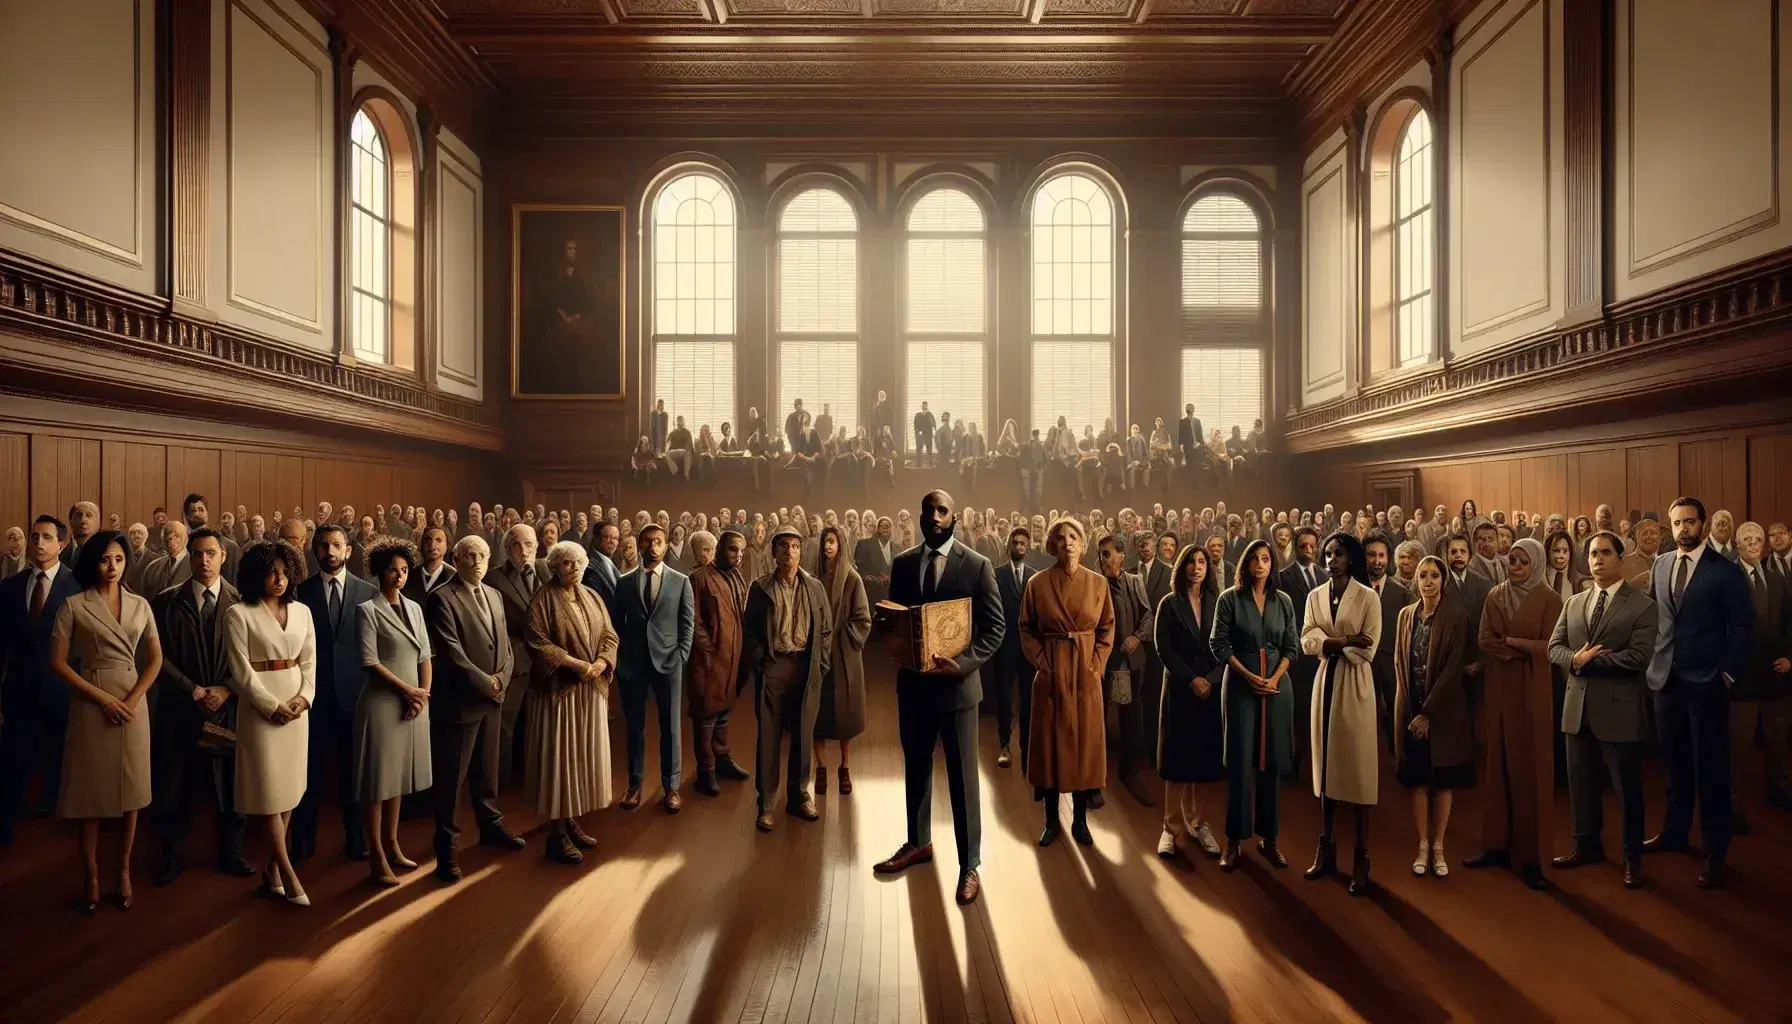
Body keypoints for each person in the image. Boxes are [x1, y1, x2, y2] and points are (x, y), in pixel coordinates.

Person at [873, 490, 1004, 907]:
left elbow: (995, 629)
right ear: (920, 516)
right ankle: (918, 842)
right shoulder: (904, 563)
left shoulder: (978, 565)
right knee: (915, 766)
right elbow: (897, 619)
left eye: (942, 510)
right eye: (928, 510)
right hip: (913, 685)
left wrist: (964, 664)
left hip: (957, 689)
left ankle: (970, 864)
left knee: (963, 779)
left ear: (955, 517)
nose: (934, 516)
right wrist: (887, 627)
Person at [1640, 497, 1755, 889]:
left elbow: (1742, 629)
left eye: (1690, 522)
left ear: (1703, 525)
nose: (1683, 529)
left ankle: (1713, 850)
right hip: (1666, 681)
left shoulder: (1724, 571)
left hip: (1707, 683)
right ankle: (1675, 832)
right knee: (1673, 765)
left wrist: (1725, 676)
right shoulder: (1660, 563)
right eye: (1677, 523)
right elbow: (1654, 617)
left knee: (1711, 771)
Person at [47, 531, 161, 912]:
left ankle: (124, 870)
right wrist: (101, 697)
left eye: (119, 559)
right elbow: (58, 663)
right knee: (89, 795)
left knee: (132, 793)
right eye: (104, 560)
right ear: (92, 562)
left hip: (133, 702)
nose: (112, 567)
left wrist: (132, 698)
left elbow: (156, 659)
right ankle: (91, 873)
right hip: (92, 701)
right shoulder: (73, 605)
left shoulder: (141, 604)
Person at [1547, 531, 1656, 890]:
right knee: (1581, 786)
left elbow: (1639, 658)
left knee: (1627, 790)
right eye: (1592, 553)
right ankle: (1587, 845)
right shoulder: (1575, 602)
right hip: (1577, 710)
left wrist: (1590, 664)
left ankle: (1631, 858)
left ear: (1620, 557)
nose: (1597, 559)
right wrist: (1577, 659)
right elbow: (1554, 648)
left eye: (1606, 553)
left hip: (1620, 712)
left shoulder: (1642, 604)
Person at [148, 527, 255, 886]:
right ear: (188, 557)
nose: (204, 560)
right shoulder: (165, 601)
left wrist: (225, 689)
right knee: (173, 783)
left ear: (224, 556)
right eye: (197, 554)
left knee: (231, 783)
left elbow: (250, 659)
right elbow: (157, 657)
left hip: (227, 707)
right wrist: (191, 689)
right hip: (179, 708)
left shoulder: (241, 603)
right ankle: (171, 856)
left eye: (211, 553)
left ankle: (232, 851)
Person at [424, 535, 525, 884]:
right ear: (456, 558)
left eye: (483, 554)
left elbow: (508, 647)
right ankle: (446, 847)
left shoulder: (495, 595)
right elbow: (451, 654)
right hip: (462, 702)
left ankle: (490, 826)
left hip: (493, 699)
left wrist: (502, 678)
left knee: (487, 769)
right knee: (452, 778)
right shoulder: (441, 598)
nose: (478, 561)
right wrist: (488, 683)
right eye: (470, 555)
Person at [1465, 537, 1562, 890]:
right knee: (1498, 762)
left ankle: (1532, 857)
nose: (1516, 567)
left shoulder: (1551, 599)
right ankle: (1495, 845)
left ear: (1536, 562)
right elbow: (1484, 639)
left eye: (1523, 561)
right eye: (1513, 561)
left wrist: (1515, 644)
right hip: (1500, 685)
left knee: (1530, 767)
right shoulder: (1496, 595)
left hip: (1533, 689)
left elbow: (1551, 646)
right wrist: (1520, 648)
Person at [224, 541, 317, 907]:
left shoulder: (304, 612)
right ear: (254, 575)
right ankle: (288, 873)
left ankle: (273, 871)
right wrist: (271, 705)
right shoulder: (238, 614)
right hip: (261, 710)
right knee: (268, 792)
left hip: (297, 707)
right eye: (270, 572)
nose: (278, 579)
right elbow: (240, 671)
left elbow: (310, 663)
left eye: (283, 571)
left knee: (290, 790)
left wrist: (303, 699)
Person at [1019, 517, 1114, 847]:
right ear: (1051, 545)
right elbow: (1026, 629)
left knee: (1083, 746)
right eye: (1060, 538)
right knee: (1049, 745)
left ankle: (1080, 820)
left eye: (1074, 536)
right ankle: (1050, 820)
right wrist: (1043, 664)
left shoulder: (1098, 584)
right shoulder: (1037, 583)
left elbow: (1106, 629)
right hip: (1052, 669)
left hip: (1085, 671)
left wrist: (1096, 665)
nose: (1068, 542)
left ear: (1082, 543)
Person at [525, 541, 618, 863]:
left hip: (589, 691)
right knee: (560, 762)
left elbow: (609, 634)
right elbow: (537, 643)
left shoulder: (592, 596)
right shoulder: (543, 599)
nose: (574, 567)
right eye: (566, 563)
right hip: (559, 694)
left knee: (579, 759)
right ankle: (557, 834)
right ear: (554, 567)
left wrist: (603, 663)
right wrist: (578, 666)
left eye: (578, 562)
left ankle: (571, 820)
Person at [1300, 532, 1382, 896]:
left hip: (1355, 684)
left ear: (1352, 558)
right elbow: (1306, 640)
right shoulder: (1315, 596)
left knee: (1359, 769)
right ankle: (1326, 848)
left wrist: (1329, 643)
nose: (1332, 559)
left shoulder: (1368, 597)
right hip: (1325, 683)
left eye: (1339, 554)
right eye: (1328, 554)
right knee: (1327, 766)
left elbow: (1370, 650)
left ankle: (1361, 855)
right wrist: (1346, 640)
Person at [1212, 539, 1301, 870]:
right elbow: (1218, 644)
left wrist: (1275, 678)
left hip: (1278, 688)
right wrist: (1250, 677)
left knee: (1272, 763)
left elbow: (1292, 647)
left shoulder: (1285, 601)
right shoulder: (1229, 599)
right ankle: (1233, 840)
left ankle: (1270, 838)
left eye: (1266, 559)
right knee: (1240, 763)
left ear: (1272, 564)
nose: (1261, 564)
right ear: (1246, 564)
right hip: (1240, 686)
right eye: (1255, 559)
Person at [291, 524, 376, 863]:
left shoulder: (368, 592)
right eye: (324, 545)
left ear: (348, 551)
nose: (330, 551)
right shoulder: (299, 592)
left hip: (355, 695)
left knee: (352, 773)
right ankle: (304, 839)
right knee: (308, 773)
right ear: (315, 550)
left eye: (336, 545)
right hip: (313, 697)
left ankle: (356, 838)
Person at [352, 540, 434, 886]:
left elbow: (425, 655)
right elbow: (369, 662)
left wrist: (424, 693)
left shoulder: (415, 608)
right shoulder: (367, 610)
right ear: (378, 571)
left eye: (403, 570)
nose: (399, 575)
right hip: (384, 703)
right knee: (377, 782)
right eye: (392, 570)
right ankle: (376, 855)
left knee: (397, 778)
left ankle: (393, 844)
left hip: (414, 704)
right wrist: (409, 691)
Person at [740, 526, 832, 831]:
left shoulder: (815, 587)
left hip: (805, 667)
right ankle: (766, 803)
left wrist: (820, 664)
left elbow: (826, 630)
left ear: (801, 551)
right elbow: (749, 630)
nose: (789, 552)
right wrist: (760, 661)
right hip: (774, 665)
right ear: (774, 552)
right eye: (783, 546)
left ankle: (799, 795)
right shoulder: (760, 587)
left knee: (804, 734)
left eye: (794, 546)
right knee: (768, 735)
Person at [0, 516, 80, 842]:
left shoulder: (76, 587)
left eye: (47, 537)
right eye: (35, 537)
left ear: (61, 544)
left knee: (57, 753)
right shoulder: (11, 586)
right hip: (19, 687)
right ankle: (7, 821)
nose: (39, 543)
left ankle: (53, 814)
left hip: (60, 688)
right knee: (13, 756)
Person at [1394, 555, 1474, 879]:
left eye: (1434, 576)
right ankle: (1422, 845)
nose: (1428, 581)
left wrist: (1428, 713)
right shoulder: (1404, 615)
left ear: (1444, 581)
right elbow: (1400, 663)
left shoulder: (1457, 616)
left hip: (1444, 710)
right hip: (1411, 709)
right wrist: (1413, 713)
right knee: (1417, 781)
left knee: (1441, 782)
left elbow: (1454, 669)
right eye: (1423, 575)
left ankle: (1439, 846)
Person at [612, 524, 694, 814]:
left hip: (669, 662)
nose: (653, 547)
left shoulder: (681, 581)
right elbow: (615, 625)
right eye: (647, 541)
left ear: (665, 543)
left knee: (670, 727)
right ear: (639, 544)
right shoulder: (623, 583)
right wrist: (622, 658)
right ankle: (635, 785)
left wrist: (681, 655)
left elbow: (688, 623)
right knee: (635, 728)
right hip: (633, 664)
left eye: (658, 541)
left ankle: (671, 787)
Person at [1154, 544, 1225, 860]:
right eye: (1191, 562)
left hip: (1210, 688)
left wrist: (1209, 680)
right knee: (1178, 760)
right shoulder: (1169, 604)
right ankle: (1170, 829)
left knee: (1205, 759)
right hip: (1182, 688)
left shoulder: (1219, 603)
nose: (1197, 567)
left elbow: (1227, 646)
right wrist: (1191, 679)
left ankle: (1199, 824)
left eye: (1202, 562)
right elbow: (1164, 649)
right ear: (1181, 568)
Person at [1731, 522, 1792, 825]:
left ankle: (1779, 790)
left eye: (1759, 539)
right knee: (1738, 745)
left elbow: (1789, 621)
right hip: (1741, 676)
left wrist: (1788, 656)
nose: (1754, 544)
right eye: (1747, 539)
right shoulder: (1727, 578)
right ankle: (1732, 804)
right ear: (1736, 544)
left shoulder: (1777, 578)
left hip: (1774, 672)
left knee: (1778, 738)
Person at [687, 530, 749, 796]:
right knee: (705, 713)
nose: (738, 556)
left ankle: (722, 758)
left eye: (742, 551)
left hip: (732, 654)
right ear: (721, 548)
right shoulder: (699, 577)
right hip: (709, 658)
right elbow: (693, 619)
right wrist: (708, 648)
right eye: (733, 550)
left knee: (724, 708)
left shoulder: (736, 576)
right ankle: (706, 769)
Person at [1095, 533, 1155, 805]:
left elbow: (1148, 614)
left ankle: (1128, 770)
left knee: (1132, 715)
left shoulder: (1135, 581)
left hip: (1132, 660)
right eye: (1101, 554)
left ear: (1121, 555)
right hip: (1104, 660)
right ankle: (1095, 774)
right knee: (1099, 713)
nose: (1104, 559)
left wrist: (1137, 637)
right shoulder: (1095, 584)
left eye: (1108, 553)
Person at [812, 527, 871, 796]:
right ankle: (820, 768)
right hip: (816, 655)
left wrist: (842, 637)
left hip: (844, 655)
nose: (828, 546)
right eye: (825, 541)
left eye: (833, 541)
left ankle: (845, 767)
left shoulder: (853, 579)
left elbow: (863, 619)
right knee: (816, 716)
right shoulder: (813, 578)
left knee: (845, 716)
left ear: (840, 545)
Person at [489, 524, 548, 787]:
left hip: (546, 663)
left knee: (539, 723)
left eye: (529, 545)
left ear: (537, 546)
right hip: (514, 661)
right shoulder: (494, 579)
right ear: (507, 548)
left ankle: (532, 776)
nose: (523, 551)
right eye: (517, 545)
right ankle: (501, 781)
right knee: (506, 724)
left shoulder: (548, 573)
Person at [992, 526, 1038, 771]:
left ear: (1027, 547)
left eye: (1023, 543)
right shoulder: (996, 573)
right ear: (1008, 545)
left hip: (1028, 647)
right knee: (1004, 696)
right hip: (1005, 644)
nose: (1019, 547)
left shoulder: (1034, 575)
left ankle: (1027, 748)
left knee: (1028, 698)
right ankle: (1004, 744)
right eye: (1015, 543)